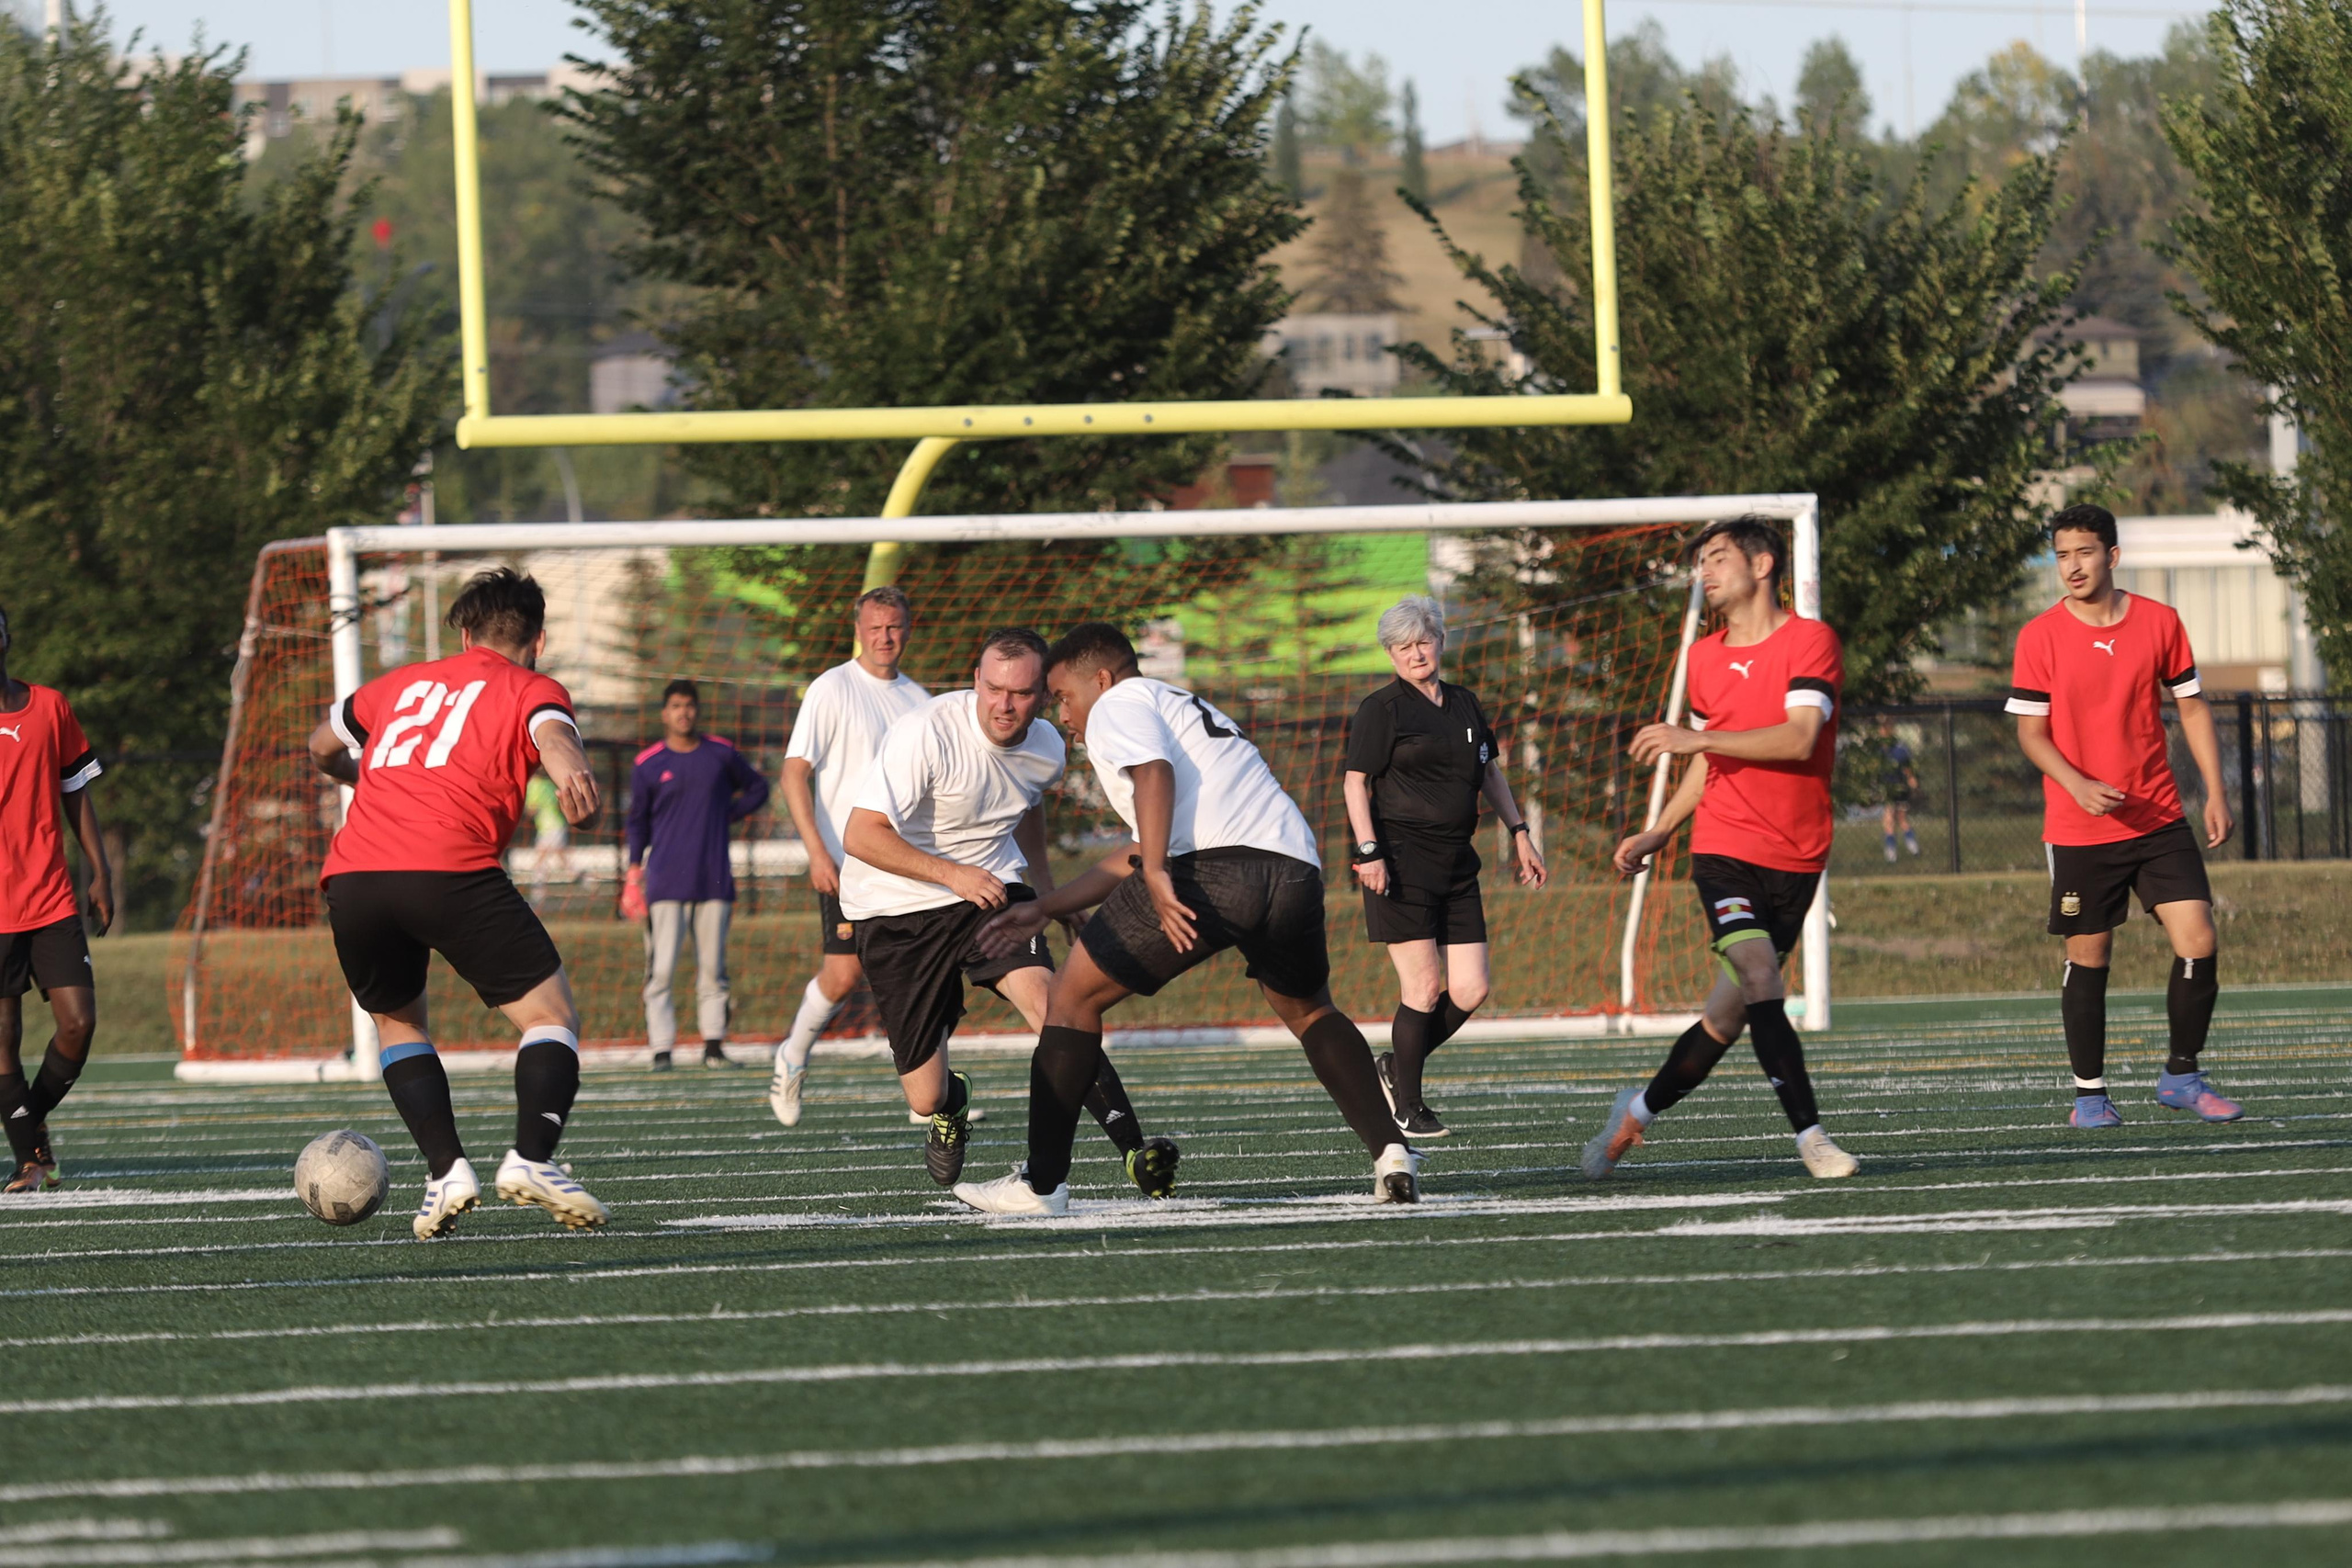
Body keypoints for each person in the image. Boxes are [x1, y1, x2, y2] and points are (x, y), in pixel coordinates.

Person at [955, 623, 1414, 1217]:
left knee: (1067, 1001)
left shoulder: (1120, 702)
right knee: (1310, 1009)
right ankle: (1393, 1155)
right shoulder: (1179, 705)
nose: (1061, 713)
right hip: (1294, 868)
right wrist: (1047, 905)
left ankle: (1041, 1184)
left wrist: (1157, 878)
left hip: (1214, 871)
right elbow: (1142, 844)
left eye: (1063, 696)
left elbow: (1153, 781)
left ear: (1100, 678)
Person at [308, 567, 608, 1238]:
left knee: (398, 1022)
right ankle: (530, 1159)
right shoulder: (533, 685)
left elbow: (321, 745)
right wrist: (571, 776)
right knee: (550, 1015)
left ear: (465, 632)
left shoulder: (400, 683)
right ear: (537, 639)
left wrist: (368, 774)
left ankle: (446, 1172)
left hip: (355, 876)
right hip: (448, 867)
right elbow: (553, 736)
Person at [838, 626, 1179, 1193]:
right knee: (925, 1096)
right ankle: (953, 1104)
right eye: (993, 688)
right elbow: (860, 835)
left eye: (1020, 694)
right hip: (892, 907)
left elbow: (1026, 806)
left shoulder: (1048, 746)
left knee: (1057, 1008)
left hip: (992, 895)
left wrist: (1048, 898)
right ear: (976, 681)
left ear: (1043, 694)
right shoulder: (925, 732)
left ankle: (1135, 1152)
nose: (1004, 704)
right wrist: (952, 874)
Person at [1589, 517, 1861, 1182]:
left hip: (1797, 854)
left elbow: (1798, 739)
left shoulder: (1810, 641)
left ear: (1763, 564)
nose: (1704, 572)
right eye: (1701, 562)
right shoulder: (1704, 655)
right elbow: (1705, 764)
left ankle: (1637, 1110)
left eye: (1717, 558)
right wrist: (1662, 830)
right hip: (1723, 846)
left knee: (1727, 1013)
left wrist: (1698, 740)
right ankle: (1813, 1139)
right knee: (1763, 975)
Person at [2006, 503, 2240, 1128]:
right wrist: (2076, 783)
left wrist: (2216, 791)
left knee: (2200, 937)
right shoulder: (2039, 636)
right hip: (2081, 826)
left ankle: (2182, 1077)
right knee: (2092, 954)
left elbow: (2191, 708)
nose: (2071, 566)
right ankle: (2090, 1095)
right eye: (2061, 554)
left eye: (2083, 552)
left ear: (2111, 555)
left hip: (2159, 815)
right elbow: (2032, 735)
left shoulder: (2160, 621)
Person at [1342, 595, 1547, 1140]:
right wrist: (1368, 852)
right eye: (1403, 646)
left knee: (1472, 989)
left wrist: (1520, 833)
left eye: (1423, 641)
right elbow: (1355, 783)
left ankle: (1394, 1066)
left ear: (1440, 642)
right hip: (1400, 866)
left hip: (1459, 866)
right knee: (1424, 988)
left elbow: (1491, 775)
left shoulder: (1464, 703)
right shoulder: (1381, 709)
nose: (1416, 653)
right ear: (1390, 653)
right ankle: (1408, 1104)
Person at [770, 587, 929, 1125]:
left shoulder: (920, 701)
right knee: (842, 978)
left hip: (903, 864)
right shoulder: (831, 688)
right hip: (845, 863)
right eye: (876, 626)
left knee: (916, 971)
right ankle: (791, 1056)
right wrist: (817, 851)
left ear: (908, 629)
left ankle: (926, 1092)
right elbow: (794, 772)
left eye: (895, 626)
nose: (885, 637)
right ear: (857, 630)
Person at [0, 604, 112, 1194]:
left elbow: (76, 791)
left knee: (79, 1022)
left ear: (5, 637)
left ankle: (28, 1123)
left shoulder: (49, 706)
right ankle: (30, 1159)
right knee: (3, 1038)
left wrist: (101, 870)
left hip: (50, 899)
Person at [623, 678, 772, 1070]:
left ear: (697, 710)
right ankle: (661, 1050)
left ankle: (713, 1047)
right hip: (666, 882)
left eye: (689, 705)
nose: (683, 712)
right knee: (661, 970)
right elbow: (636, 823)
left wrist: (727, 816)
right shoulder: (648, 764)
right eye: (675, 706)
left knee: (713, 969)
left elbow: (758, 787)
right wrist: (633, 875)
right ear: (664, 713)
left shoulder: (720, 754)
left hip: (714, 880)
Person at [1878, 716, 1920, 862]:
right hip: (1893, 787)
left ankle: (1893, 852)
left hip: (1894, 787)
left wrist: (1910, 779)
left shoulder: (1892, 749)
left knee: (1892, 820)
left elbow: (1907, 768)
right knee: (1898, 819)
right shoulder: (1896, 748)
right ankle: (1911, 847)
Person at [525, 773, 569, 907]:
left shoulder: (533, 786)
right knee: (562, 862)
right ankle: (588, 881)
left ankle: (537, 897)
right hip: (557, 826)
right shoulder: (549, 784)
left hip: (548, 828)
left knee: (539, 863)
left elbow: (531, 810)